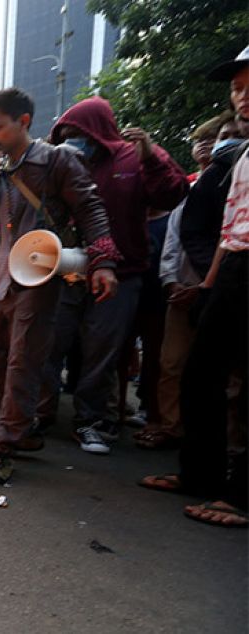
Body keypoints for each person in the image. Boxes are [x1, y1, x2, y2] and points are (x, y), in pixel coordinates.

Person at [0, 87, 119, 485]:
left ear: (24, 122)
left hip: (38, 278)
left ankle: (4, 445)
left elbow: (90, 208)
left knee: (23, 362)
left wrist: (103, 262)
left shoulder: (57, 159)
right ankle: (22, 426)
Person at [35, 96, 188, 454]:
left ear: (101, 132)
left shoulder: (135, 155)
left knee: (101, 350)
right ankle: (38, 413)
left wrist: (151, 158)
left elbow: (173, 193)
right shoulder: (59, 159)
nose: (73, 139)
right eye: (65, 133)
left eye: (79, 133)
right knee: (48, 343)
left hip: (122, 272)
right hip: (65, 270)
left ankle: (92, 421)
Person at [142, 47, 249, 527]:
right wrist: (209, 284)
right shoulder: (242, 156)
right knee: (199, 375)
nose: (241, 94)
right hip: (230, 272)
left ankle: (242, 497)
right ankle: (200, 476)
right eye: (237, 86)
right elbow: (231, 228)